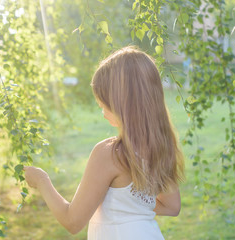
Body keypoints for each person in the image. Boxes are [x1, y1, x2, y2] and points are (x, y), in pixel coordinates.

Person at [23, 46, 185, 239]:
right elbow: (171, 206)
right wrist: (126, 207)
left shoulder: (109, 154)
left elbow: (72, 221)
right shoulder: (162, 148)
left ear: (122, 104)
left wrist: (42, 181)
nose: (102, 112)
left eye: (104, 105)